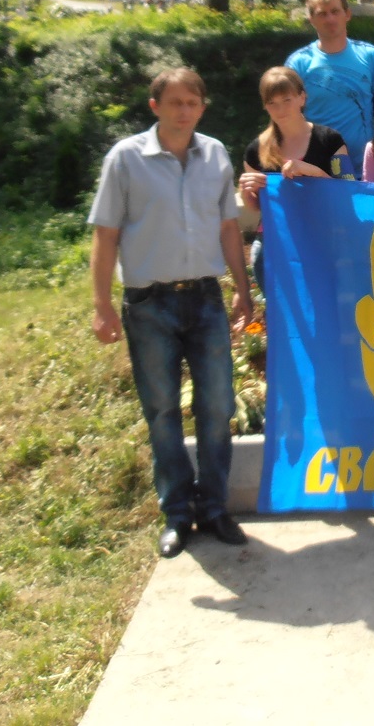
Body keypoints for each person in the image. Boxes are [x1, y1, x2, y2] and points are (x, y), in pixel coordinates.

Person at [88, 68, 254, 557]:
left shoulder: (216, 154)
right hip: (148, 303)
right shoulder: (126, 159)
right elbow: (106, 234)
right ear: (155, 105)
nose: (185, 110)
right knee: (162, 411)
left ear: (203, 107)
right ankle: (177, 513)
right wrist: (101, 307)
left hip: (204, 297)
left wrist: (242, 291)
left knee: (217, 405)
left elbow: (229, 228)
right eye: (175, 102)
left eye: (193, 102)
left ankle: (214, 507)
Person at [239, 66, 356, 291]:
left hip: (323, 243)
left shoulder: (329, 140)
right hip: (274, 247)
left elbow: (347, 192)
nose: (280, 108)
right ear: (265, 106)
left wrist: (312, 171)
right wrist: (247, 193)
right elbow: (255, 208)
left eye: (287, 99)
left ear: (302, 97)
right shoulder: (255, 150)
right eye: (272, 102)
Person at [285, 0, 374, 168]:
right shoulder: (298, 63)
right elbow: (286, 117)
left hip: (363, 168)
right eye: (322, 14)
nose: (330, 19)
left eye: (335, 11)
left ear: (347, 14)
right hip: (314, 169)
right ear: (311, 19)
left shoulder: (370, 56)